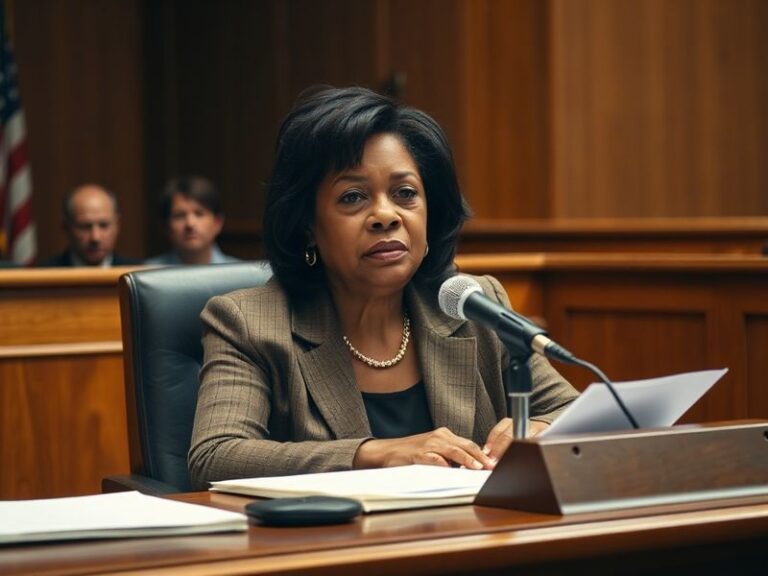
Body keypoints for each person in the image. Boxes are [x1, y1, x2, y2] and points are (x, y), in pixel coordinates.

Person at [188, 86, 579, 488]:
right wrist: (375, 452)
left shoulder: (473, 305)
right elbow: (217, 455)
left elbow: (574, 408)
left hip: (473, 538)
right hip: (334, 544)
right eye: (353, 197)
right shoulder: (248, 322)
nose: (384, 215)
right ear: (307, 225)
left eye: (404, 194)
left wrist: (540, 427)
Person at [145, 176, 239, 265]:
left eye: (199, 214)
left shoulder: (241, 274)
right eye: (180, 215)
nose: (190, 224)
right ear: (166, 226)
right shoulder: (145, 274)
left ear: (217, 223)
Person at [40, 184, 140, 267]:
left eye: (103, 225)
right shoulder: (41, 276)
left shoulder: (137, 275)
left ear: (117, 225)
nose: (95, 238)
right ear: (66, 227)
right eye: (85, 227)